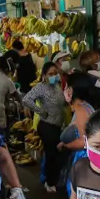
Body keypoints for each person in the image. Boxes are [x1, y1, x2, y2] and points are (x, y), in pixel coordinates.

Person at [22, 62, 67, 192]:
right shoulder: (41, 87)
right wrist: (40, 111)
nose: (54, 76)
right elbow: (26, 99)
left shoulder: (58, 86)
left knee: (55, 154)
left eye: (55, 73)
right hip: (47, 125)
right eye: (50, 74)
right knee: (51, 154)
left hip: (58, 125)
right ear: (44, 75)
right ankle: (49, 182)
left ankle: (54, 179)